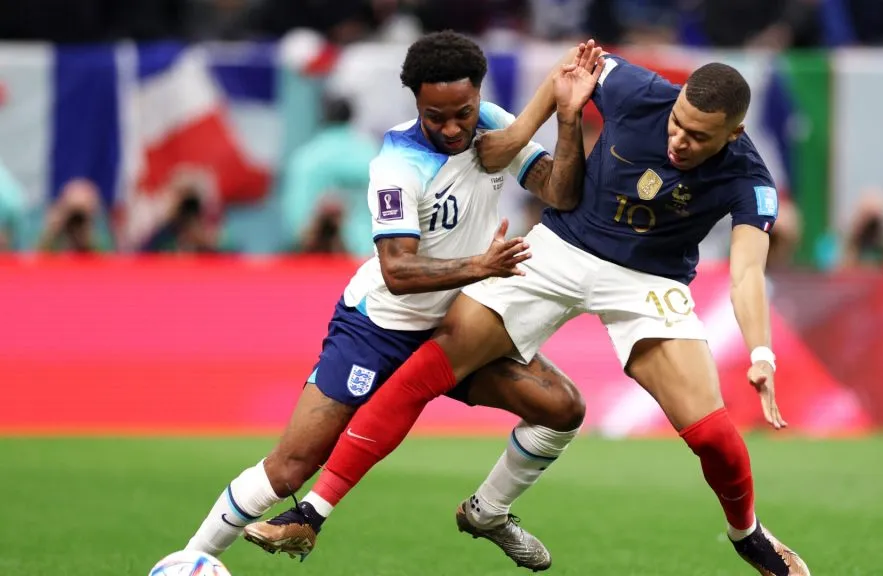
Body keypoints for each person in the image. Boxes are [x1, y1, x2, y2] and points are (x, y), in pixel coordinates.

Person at [263, 44, 813, 575]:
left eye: (698, 136)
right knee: (426, 368)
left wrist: (760, 351)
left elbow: (745, 271)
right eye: (677, 122)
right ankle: (312, 513)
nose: (678, 140)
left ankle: (748, 535)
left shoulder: (750, 177)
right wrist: (520, 133)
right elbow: (571, 69)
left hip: (648, 281)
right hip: (558, 248)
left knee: (713, 435)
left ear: (734, 133)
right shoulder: (638, 89)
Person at [184, 32, 599, 572]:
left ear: (478, 96)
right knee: (290, 468)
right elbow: (398, 271)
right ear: (415, 103)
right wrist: (481, 266)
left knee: (562, 407)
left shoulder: (494, 123)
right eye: (436, 116)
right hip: (376, 329)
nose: (452, 128)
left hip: (454, 330)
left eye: (463, 113)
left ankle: (488, 512)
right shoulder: (396, 164)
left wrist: (567, 118)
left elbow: (562, 193)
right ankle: (189, 562)